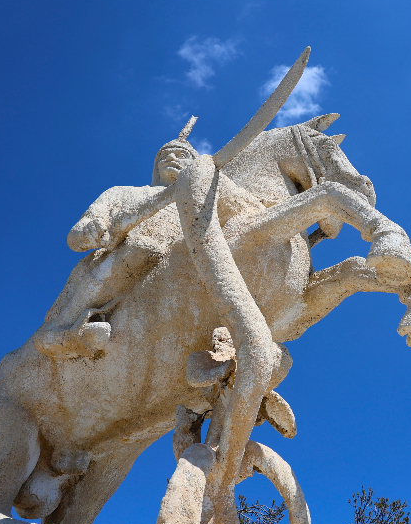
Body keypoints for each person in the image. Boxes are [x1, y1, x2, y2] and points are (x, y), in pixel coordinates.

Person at [34, 118, 263, 359]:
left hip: (194, 264)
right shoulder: (122, 193)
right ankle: (65, 332)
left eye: (180, 155)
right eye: (164, 156)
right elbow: (76, 238)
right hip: (130, 258)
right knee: (140, 248)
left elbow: (251, 212)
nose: (171, 158)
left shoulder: (210, 197)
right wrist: (90, 231)